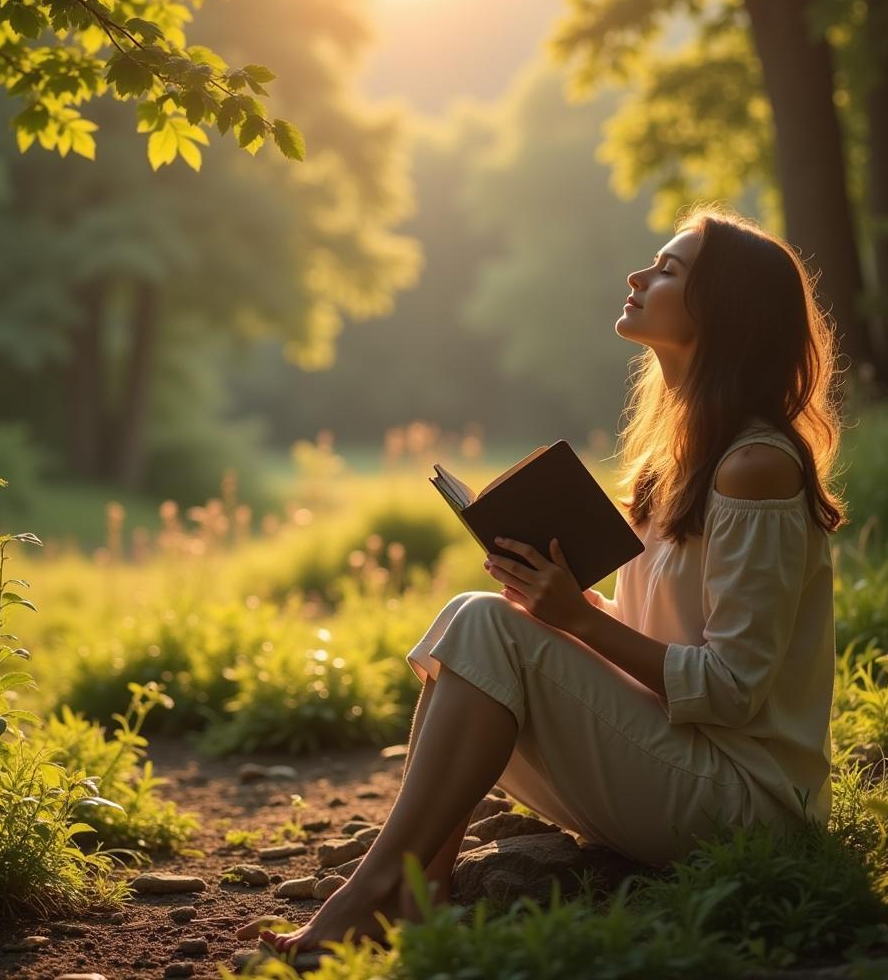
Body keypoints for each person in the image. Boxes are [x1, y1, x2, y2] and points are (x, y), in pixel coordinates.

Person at [243, 206, 846, 955]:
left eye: (669, 269)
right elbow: (665, 647)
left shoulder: (756, 468)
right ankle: (413, 890)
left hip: (749, 803)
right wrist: (565, 607)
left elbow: (732, 689)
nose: (639, 275)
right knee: (486, 622)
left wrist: (580, 624)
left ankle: (373, 894)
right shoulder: (674, 464)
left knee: (484, 626)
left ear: (724, 307)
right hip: (682, 761)